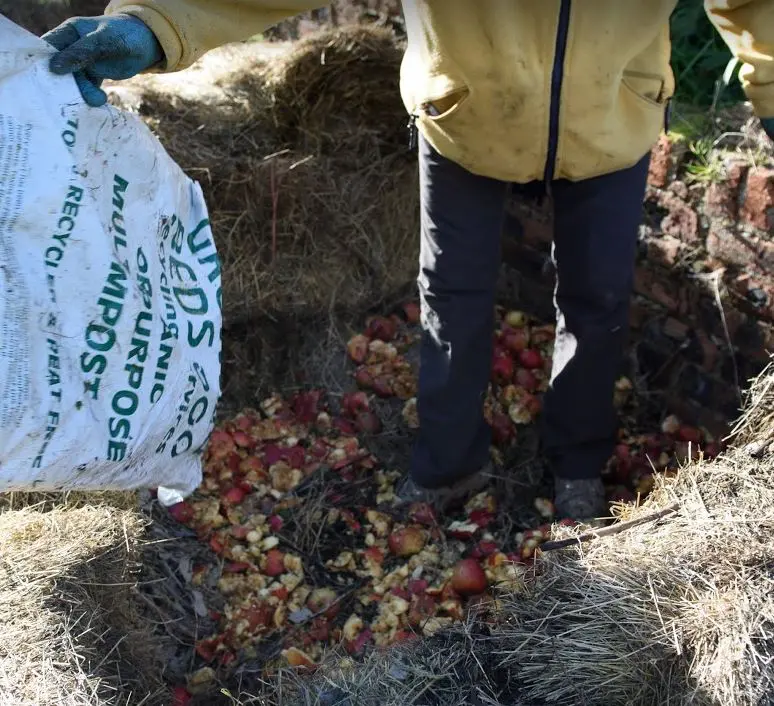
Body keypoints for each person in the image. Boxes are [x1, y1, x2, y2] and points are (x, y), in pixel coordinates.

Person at [43, 1, 774, 522]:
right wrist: (159, 23)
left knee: (598, 299)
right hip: (465, 117)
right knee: (452, 292)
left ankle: (578, 464)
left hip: (611, 119)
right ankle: (449, 460)